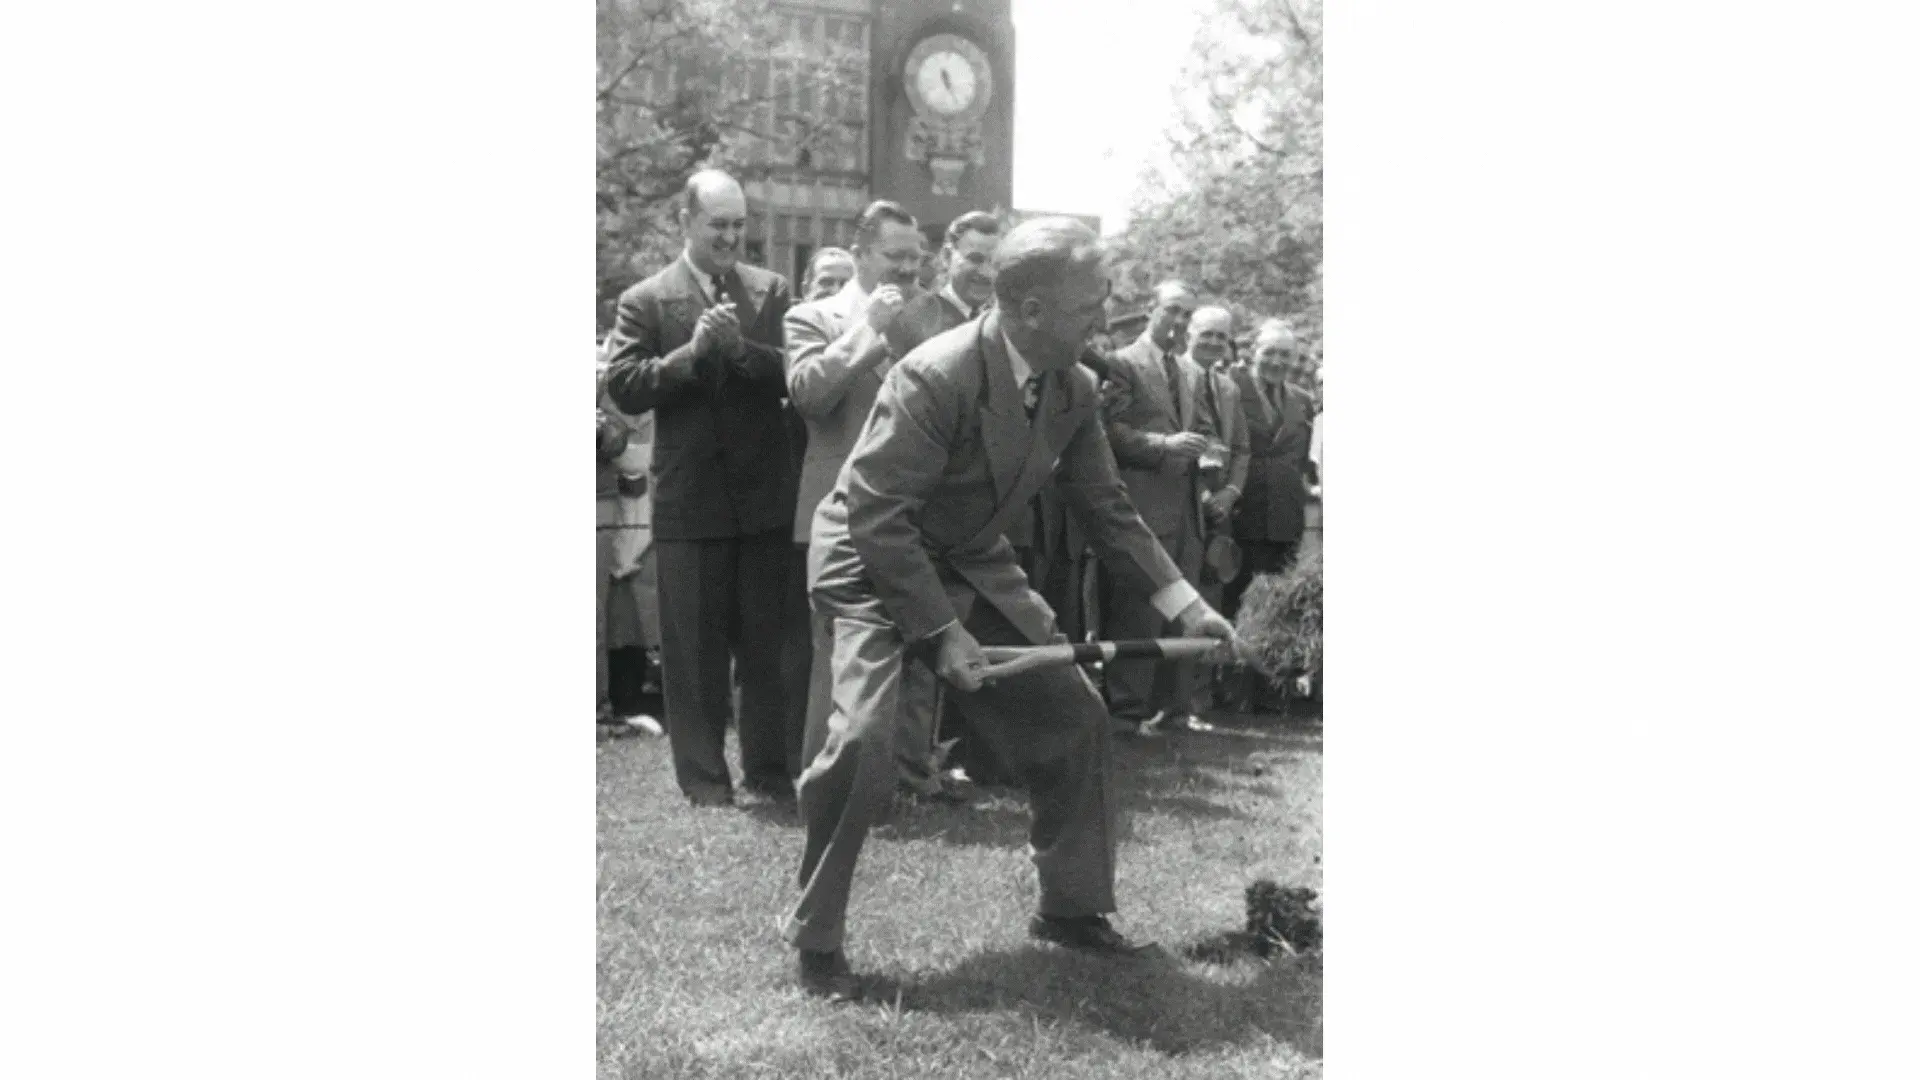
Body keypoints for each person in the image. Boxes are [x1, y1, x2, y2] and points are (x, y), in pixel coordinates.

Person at [781, 217, 1238, 1001]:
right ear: (1027, 309)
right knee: (862, 743)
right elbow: (879, 519)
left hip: (972, 560)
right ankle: (814, 933)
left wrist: (1185, 604)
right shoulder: (936, 374)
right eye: (1088, 306)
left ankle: (1071, 910)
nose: (1102, 319)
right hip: (870, 560)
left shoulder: (1076, 385)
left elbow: (1106, 505)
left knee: (1074, 717)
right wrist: (940, 632)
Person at [601, 169, 796, 807]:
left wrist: (739, 350)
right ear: (685, 222)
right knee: (692, 655)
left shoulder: (771, 292)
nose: (731, 237)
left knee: (766, 651)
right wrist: (691, 353)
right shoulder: (647, 299)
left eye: (739, 225)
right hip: (691, 503)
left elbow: (794, 374)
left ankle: (768, 776)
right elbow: (625, 385)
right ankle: (705, 784)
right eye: (718, 225)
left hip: (763, 499)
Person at [783, 200, 955, 800]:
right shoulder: (813, 316)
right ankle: (829, 787)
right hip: (841, 510)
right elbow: (809, 394)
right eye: (894, 257)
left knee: (920, 644)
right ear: (859, 255)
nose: (909, 269)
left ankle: (909, 779)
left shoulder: (936, 315)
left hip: (916, 506)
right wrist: (869, 330)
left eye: (916, 258)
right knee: (840, 657)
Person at [1099, 280, 1217, 734]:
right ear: (1151, 308)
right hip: (1143, 502)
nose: (1181, 322)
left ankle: (1174, 706)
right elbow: (1109, 431)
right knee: (1138, 607)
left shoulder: (1188, 373)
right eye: (1173, 311)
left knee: (1184, 605)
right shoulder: (1123, 362)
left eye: (1188, 315)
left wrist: (1205, 449)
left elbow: (1199, 426)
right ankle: (1127, 710)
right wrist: (1164, 444)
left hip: (1186, 505)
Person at [1223, 319, 1316, 707]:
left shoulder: (1301, 400)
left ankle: (1268, 690)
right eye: (1269, 352)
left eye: (1285, 354)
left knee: (1277, 607)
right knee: (1236, 599)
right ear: (1252, 351)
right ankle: (1229, 689)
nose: (1277, 361)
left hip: (1285, 515)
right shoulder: (1230, 389)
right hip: (1243, 511)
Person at [1186, 306, 1249, 720]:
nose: (1212, 343)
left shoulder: (1227, 388)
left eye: (1220, 337)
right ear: (1189, 332)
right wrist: (1200, 492)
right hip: (1181, 502)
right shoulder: (1173, 376)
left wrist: (1229, 491)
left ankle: (1195, 701)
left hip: (1219, 510)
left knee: (1211, 597)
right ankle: (1154, 704)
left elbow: (1241, 449)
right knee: (1178, 599)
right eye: (1205, 334)